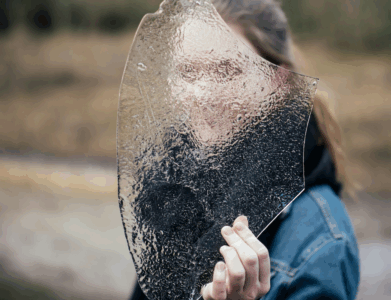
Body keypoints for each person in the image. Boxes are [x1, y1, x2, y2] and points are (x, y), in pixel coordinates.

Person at [129, 0, 360, 299]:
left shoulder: (320, 240)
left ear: (277, 79)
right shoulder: (179, 193)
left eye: (227, 70)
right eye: (187, 71)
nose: (202, 94)